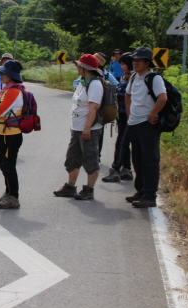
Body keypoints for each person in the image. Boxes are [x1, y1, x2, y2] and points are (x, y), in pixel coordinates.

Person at [53, 54, 103, 200]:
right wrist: (74, 127)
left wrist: (87, 127)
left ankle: (89, 190)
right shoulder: (83, 82)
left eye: (79, 65)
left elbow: (93, 107)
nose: (77, 67)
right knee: (72, 158)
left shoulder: (95, 84)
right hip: (77, 127)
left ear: (85, 68)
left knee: (90, 158)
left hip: (89, 129)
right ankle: (70, 186)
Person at [125, 47, 167, 208]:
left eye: (138, 60)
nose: (134, 63)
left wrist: (152, 114)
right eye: (134, 60)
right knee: (137, 159)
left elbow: (162, 98)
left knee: (150, 160)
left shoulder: (154, 78)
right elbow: (128, 95)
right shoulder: (134, 77)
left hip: (147, 125)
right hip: (134, 123)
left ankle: (150, 195)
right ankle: (141, 190)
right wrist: (129, 113)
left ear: (147, 63)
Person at [0, 60, 31, 209]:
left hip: (11, 134)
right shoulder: (7, 89)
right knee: (5, 164)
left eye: (2, 73)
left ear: (10, 75)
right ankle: (9, 193)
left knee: (8, 165)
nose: (0, 75)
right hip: (5, 132)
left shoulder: (14, 91)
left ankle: (13, 197)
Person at [102, 52, 134, 182]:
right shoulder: (126, 78)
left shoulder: (134, 78)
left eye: (124, 64)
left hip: (129, 116)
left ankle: (115, 170)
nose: (121, 67)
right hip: (123, 115)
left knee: (121, 143)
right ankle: (126, 169)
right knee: (124, 143)